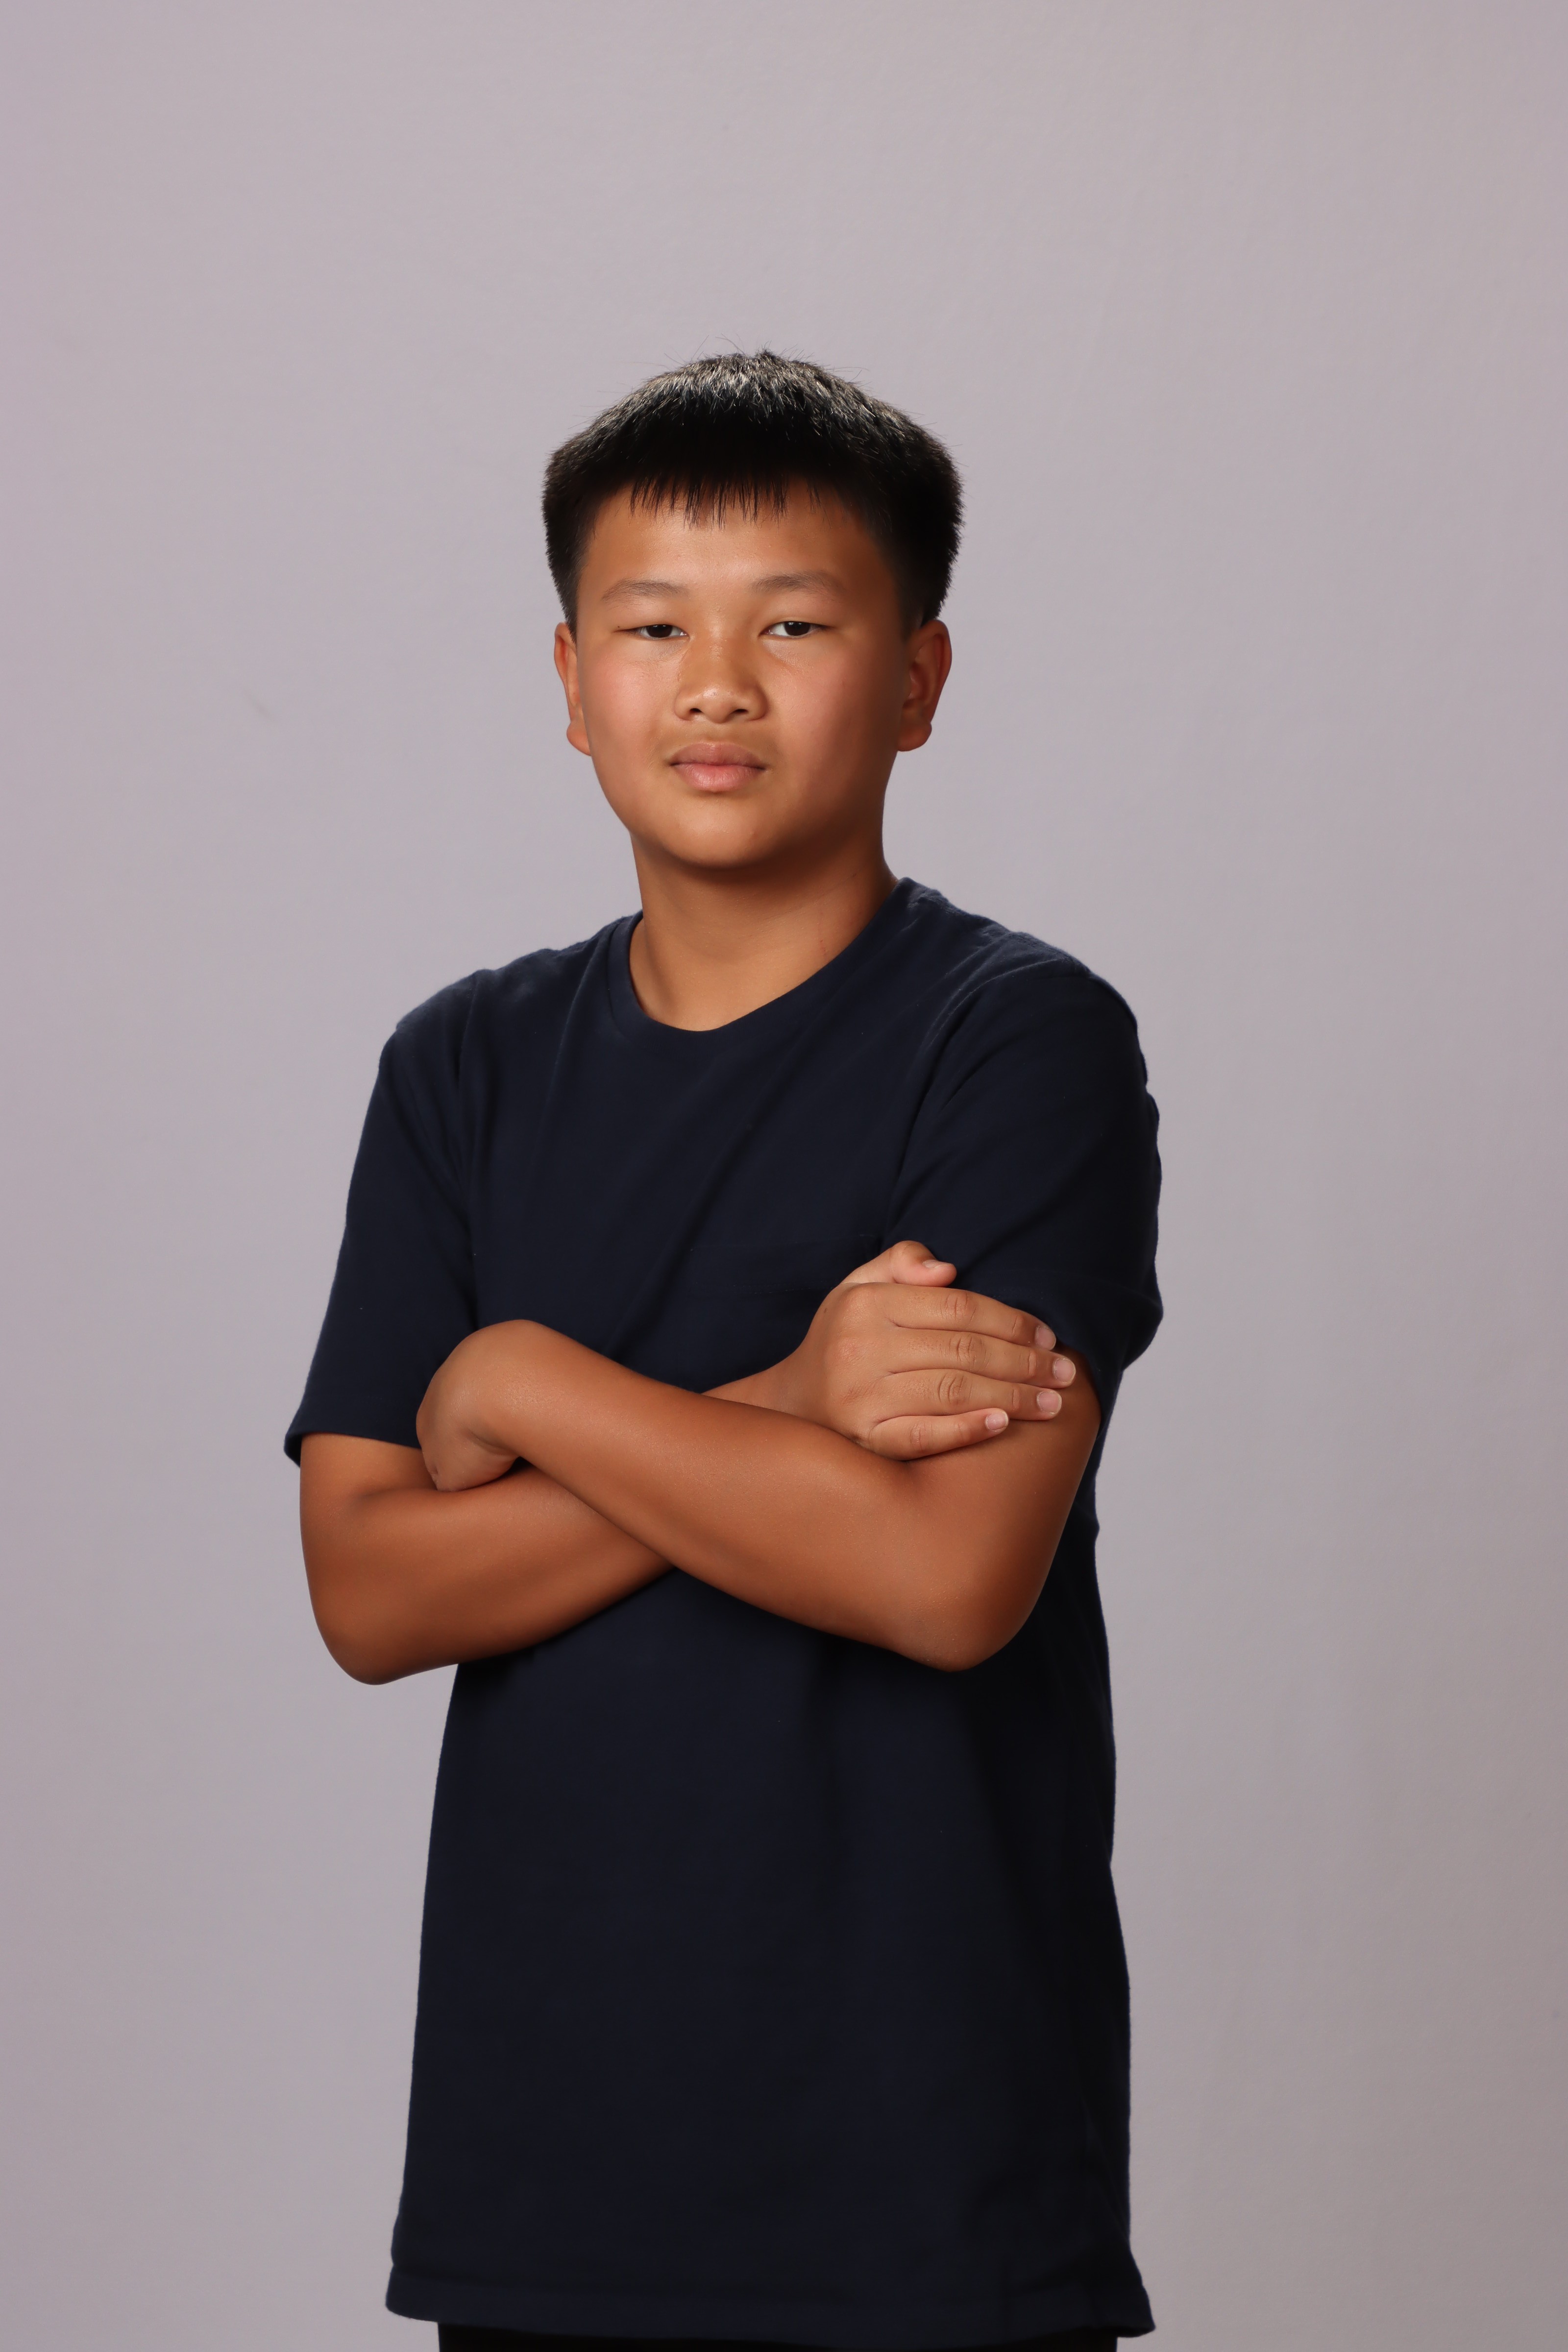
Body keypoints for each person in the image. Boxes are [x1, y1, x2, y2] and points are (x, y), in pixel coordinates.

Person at [288, 352, 1161, 2352]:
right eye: (651, 627)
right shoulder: (462, 1068)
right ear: (569, 678)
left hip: (921, 2171)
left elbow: (942, 1577)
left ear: (918, 679)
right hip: (544, 2166)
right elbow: (370, 1590)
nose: (714, 687)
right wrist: (783, 1404)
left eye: (792, 626)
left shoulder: (1014, 1042)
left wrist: (523, 1387)